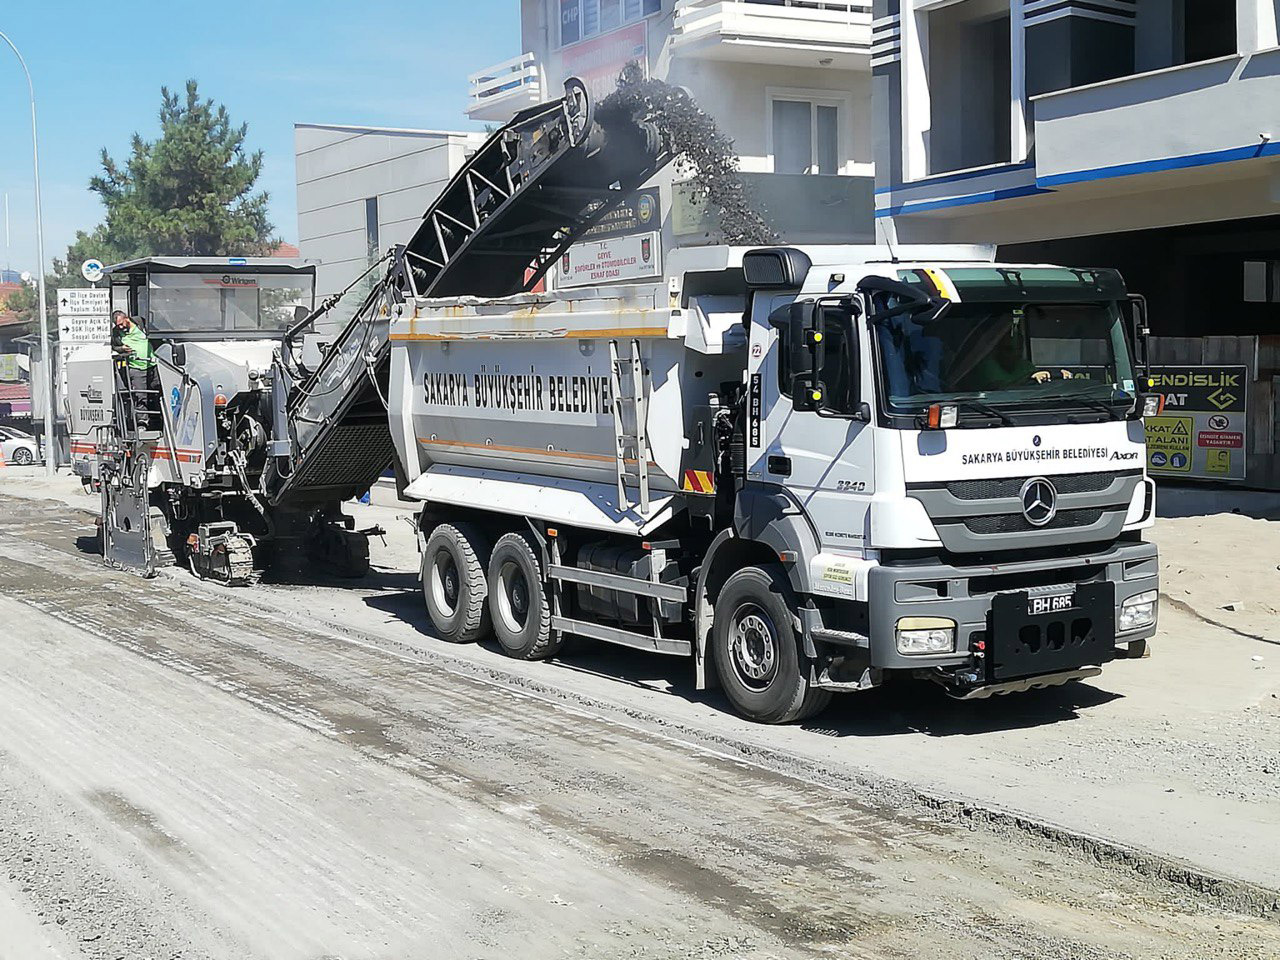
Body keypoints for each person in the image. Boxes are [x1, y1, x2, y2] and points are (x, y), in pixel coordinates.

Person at [111, 310, 159, 430]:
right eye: (118, 325)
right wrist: (121, 349)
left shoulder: (141, 323)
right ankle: (142, 422)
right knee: (140, 395)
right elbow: (114, 346)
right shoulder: (117, 333)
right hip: (135, 367)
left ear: (127, 318)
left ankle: (158, 419)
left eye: (122, 323)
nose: (121, 327)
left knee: (157, 390)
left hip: (152, 364)